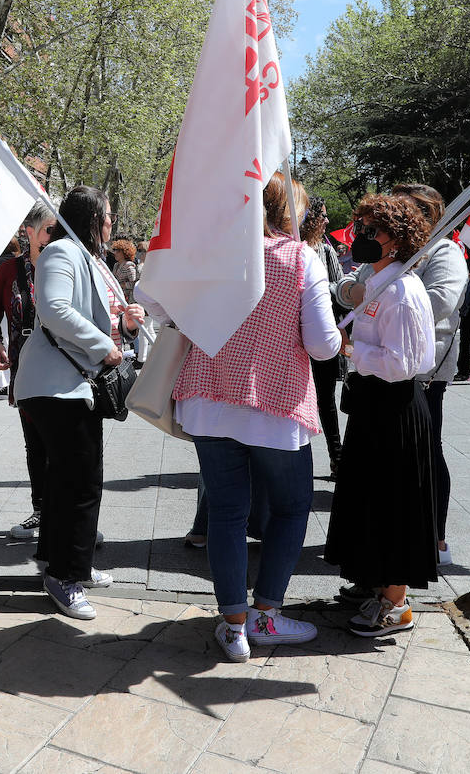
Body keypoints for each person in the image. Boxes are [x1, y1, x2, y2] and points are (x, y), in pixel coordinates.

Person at [144, 176, 341, 661]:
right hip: (274, 405)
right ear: (289, 212)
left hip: (209, 402)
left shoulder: (214, 255)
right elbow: (321, 345)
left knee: (227, 514)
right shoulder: (301, 259)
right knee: (292, 509)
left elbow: (152, 301)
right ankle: (266, 614)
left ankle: (233, 626)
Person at [15, 186, 145, 621]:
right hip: (57, 388)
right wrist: (104, 344)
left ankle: (65, 562)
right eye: (107, 215)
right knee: (80, 482)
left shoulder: (83, 258)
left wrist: (123, 329)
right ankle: (65, 576)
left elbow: (89, 319)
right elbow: (53, 309)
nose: (111, 223)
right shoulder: (61, 253)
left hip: (68, 386)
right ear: (91, 218)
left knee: (67, 481)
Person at [325, 193, 437, 637]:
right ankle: (375, 587)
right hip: (372, 406)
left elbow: (404, 363)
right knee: (370, 500)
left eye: (374, 230)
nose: (363, 237)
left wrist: (351, 348)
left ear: (398, 239)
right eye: (361, 227)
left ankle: (396, 605)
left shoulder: (404, 291)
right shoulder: (376, 280)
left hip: (395, 408)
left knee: (394, 504)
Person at [0, 202, 55, 542]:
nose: (54, 238)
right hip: (25, 361)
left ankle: (70, 517)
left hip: (64, 364)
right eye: (49, 230)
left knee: (65, 443)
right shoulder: (10, 269)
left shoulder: (68, 264)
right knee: (35, 442)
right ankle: (41, 510)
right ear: (30, 232)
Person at [301, 197, 351, 475]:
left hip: (323, 331)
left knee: (325, 399)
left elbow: (339, 289)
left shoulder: (325, 250)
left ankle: (337, 456)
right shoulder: (293, 248)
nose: (327, 220)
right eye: (322, 215)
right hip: (293, 338)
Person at [111, 239, 138, 303]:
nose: (115, 253)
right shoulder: (116, 265)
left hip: (125, 299)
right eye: (114, 250)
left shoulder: (129, 266)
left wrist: (120, 285)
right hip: (116, 297)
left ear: (125, 252)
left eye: (118, 251)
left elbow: (134, 284)